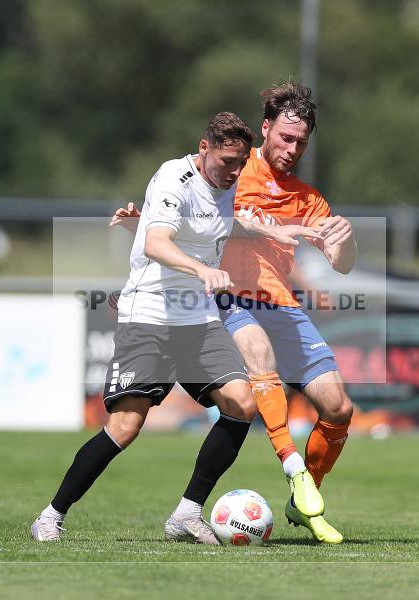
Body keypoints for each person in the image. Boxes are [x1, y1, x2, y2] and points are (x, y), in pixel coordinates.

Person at [111, 81, 356, 544]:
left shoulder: (308, 198)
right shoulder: (234, 168)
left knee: (338, 406)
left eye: (301, 141)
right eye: (285, 137)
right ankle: (294, 469)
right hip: (225, 296)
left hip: (279, 303)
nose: (292, 147)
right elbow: (185, 213)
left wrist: (346, 239)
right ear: (266, 128)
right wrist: (139, 220)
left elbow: (341, 264)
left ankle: (304, 501)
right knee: (257, 354)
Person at [31, 112, 259, 544]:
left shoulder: (228, 183)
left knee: (241, 404)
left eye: (240, 162)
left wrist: (289, 230)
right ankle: (51, 515)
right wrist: (200, 269)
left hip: (197, 318)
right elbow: (157, 243)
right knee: (125, 427)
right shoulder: (175, 176)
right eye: (227, 160)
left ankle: (187, 515)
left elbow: (212, 225)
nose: (234, 170)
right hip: (149, 315)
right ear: (204, 147)